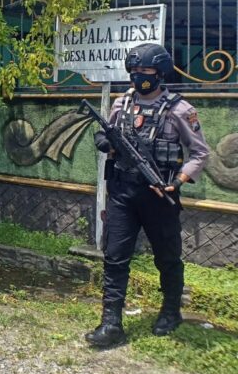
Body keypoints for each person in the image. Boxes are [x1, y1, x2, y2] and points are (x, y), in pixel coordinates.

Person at [85, 43, 210, 348]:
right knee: (115, 257)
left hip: (159, 194)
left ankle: (171, 311)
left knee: (167, 257)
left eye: (146, 71)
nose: (139, 77)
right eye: (135, 72)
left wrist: (178, 181)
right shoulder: (122, 103)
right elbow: (108, 134)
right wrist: (105, 141)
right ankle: (111, 323)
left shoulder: (180, 109)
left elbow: (199, 152)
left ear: (160, 72)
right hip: (123, 193)